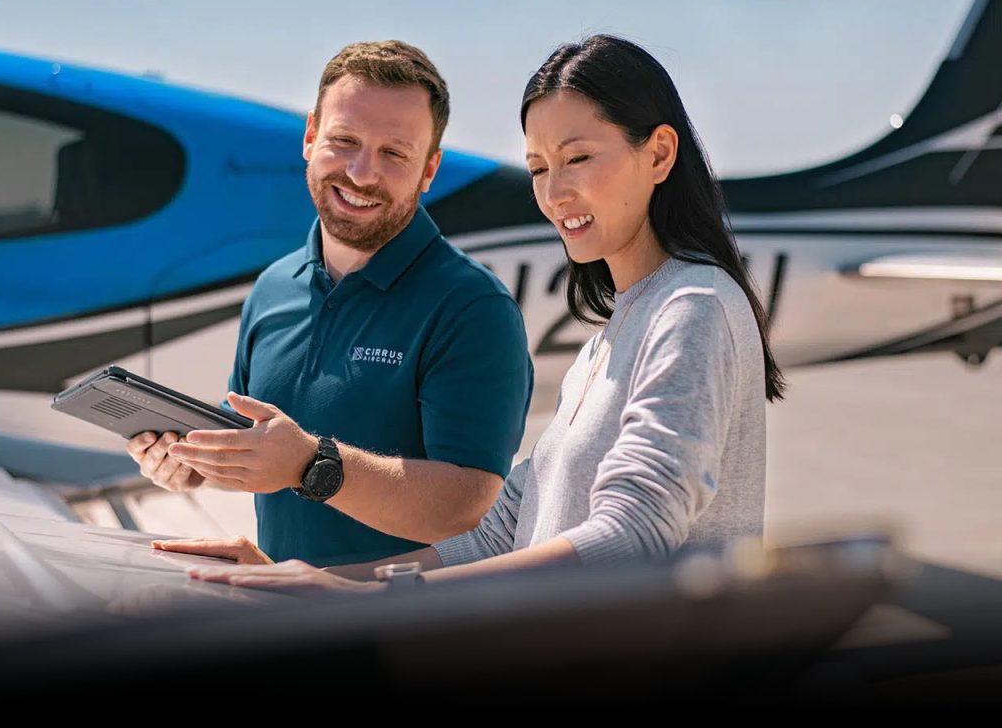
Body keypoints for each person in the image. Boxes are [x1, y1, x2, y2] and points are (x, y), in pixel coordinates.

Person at [154, 34, 785, 590]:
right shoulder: (611, 336)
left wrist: (372, 597)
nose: (555, 193)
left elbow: (633, 537)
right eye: (538, 168)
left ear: (659, 154)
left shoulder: (693, 306)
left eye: (579, 158)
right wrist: (309, 582)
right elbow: (501, 532)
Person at [129, 40, 534, 567]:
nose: (363, 174)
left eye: (394, 153)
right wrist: (194, 463)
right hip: (280, 611)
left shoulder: (472, 307)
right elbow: (267, 454)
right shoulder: (273, 288)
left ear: (429, 170)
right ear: (310, 136)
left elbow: (465, 507)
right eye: (344, 140)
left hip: (411, 634)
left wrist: (312, 466)